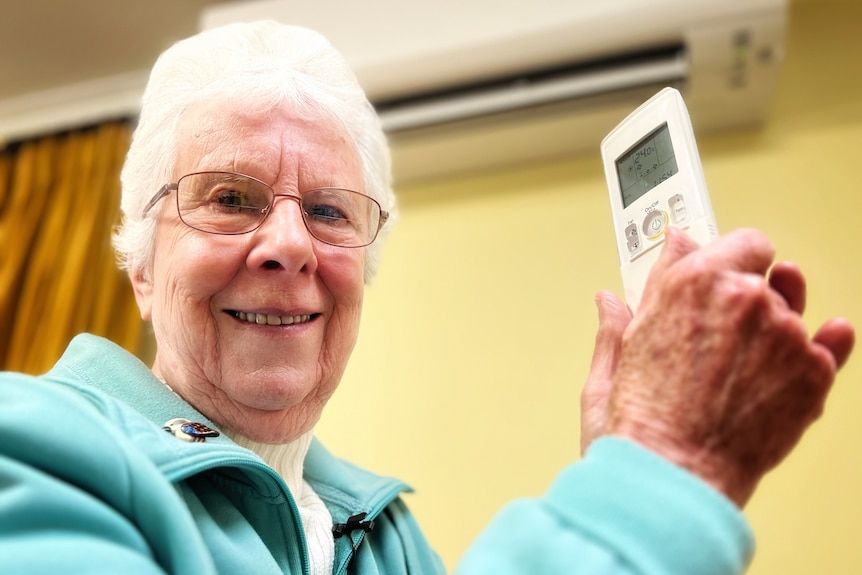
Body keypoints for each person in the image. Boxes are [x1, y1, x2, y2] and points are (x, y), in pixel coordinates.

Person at [0, 20, 854, 575]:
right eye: (230, 197)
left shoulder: (387, 536)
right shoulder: (28, 446)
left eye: (330, 211)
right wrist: (663, 464)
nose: (292, 245)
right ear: (142, 267)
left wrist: (617, 470)